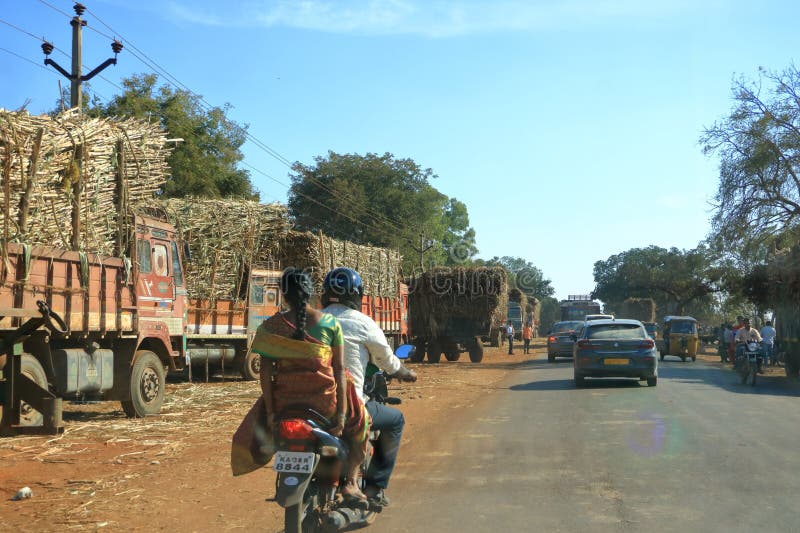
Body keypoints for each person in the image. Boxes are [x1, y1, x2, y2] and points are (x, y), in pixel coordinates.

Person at [250, 268, 368, 503]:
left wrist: (272, 412)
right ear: (312, 292)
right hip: (325, 405)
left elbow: (265, 374)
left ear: (283, 294)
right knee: (363, 423)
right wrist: (342, 416)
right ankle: (351, 482)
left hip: (285, 404)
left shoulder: (270, 327)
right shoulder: (330, 324)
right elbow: (339, 370)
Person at [322, 267, 417, 508]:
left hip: (308, 403)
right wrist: (405, 374)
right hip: (348, 403)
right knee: (396, 421)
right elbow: (387, 361)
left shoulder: (313, 321)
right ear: (356, 295)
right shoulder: (363, 323)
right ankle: (375, 487)